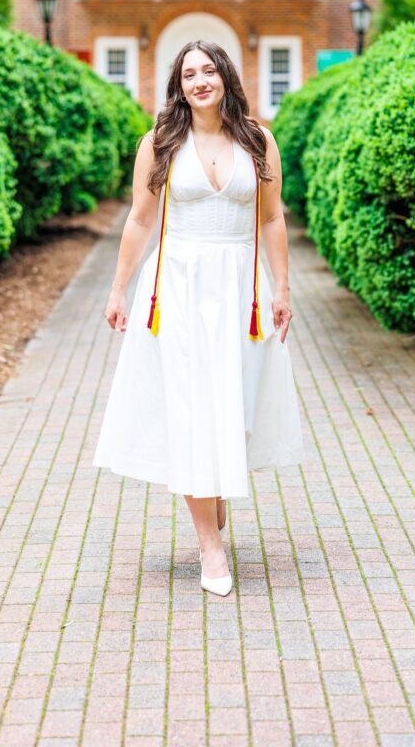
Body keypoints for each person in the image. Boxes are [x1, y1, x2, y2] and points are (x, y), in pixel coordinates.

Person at [92, 39, 305, 596]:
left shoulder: (257, 140)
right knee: (190, 410)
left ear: (225, 76)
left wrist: (283, 288)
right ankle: (210, 546)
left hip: (241, 290)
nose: (200, 81)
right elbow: (141, 221)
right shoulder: (160, 142)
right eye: (189, 74)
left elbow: (272, 218)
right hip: (178, 289)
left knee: (234, 405)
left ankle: (215, 491)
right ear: (179, 85)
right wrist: (118, 289)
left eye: (209, 70)